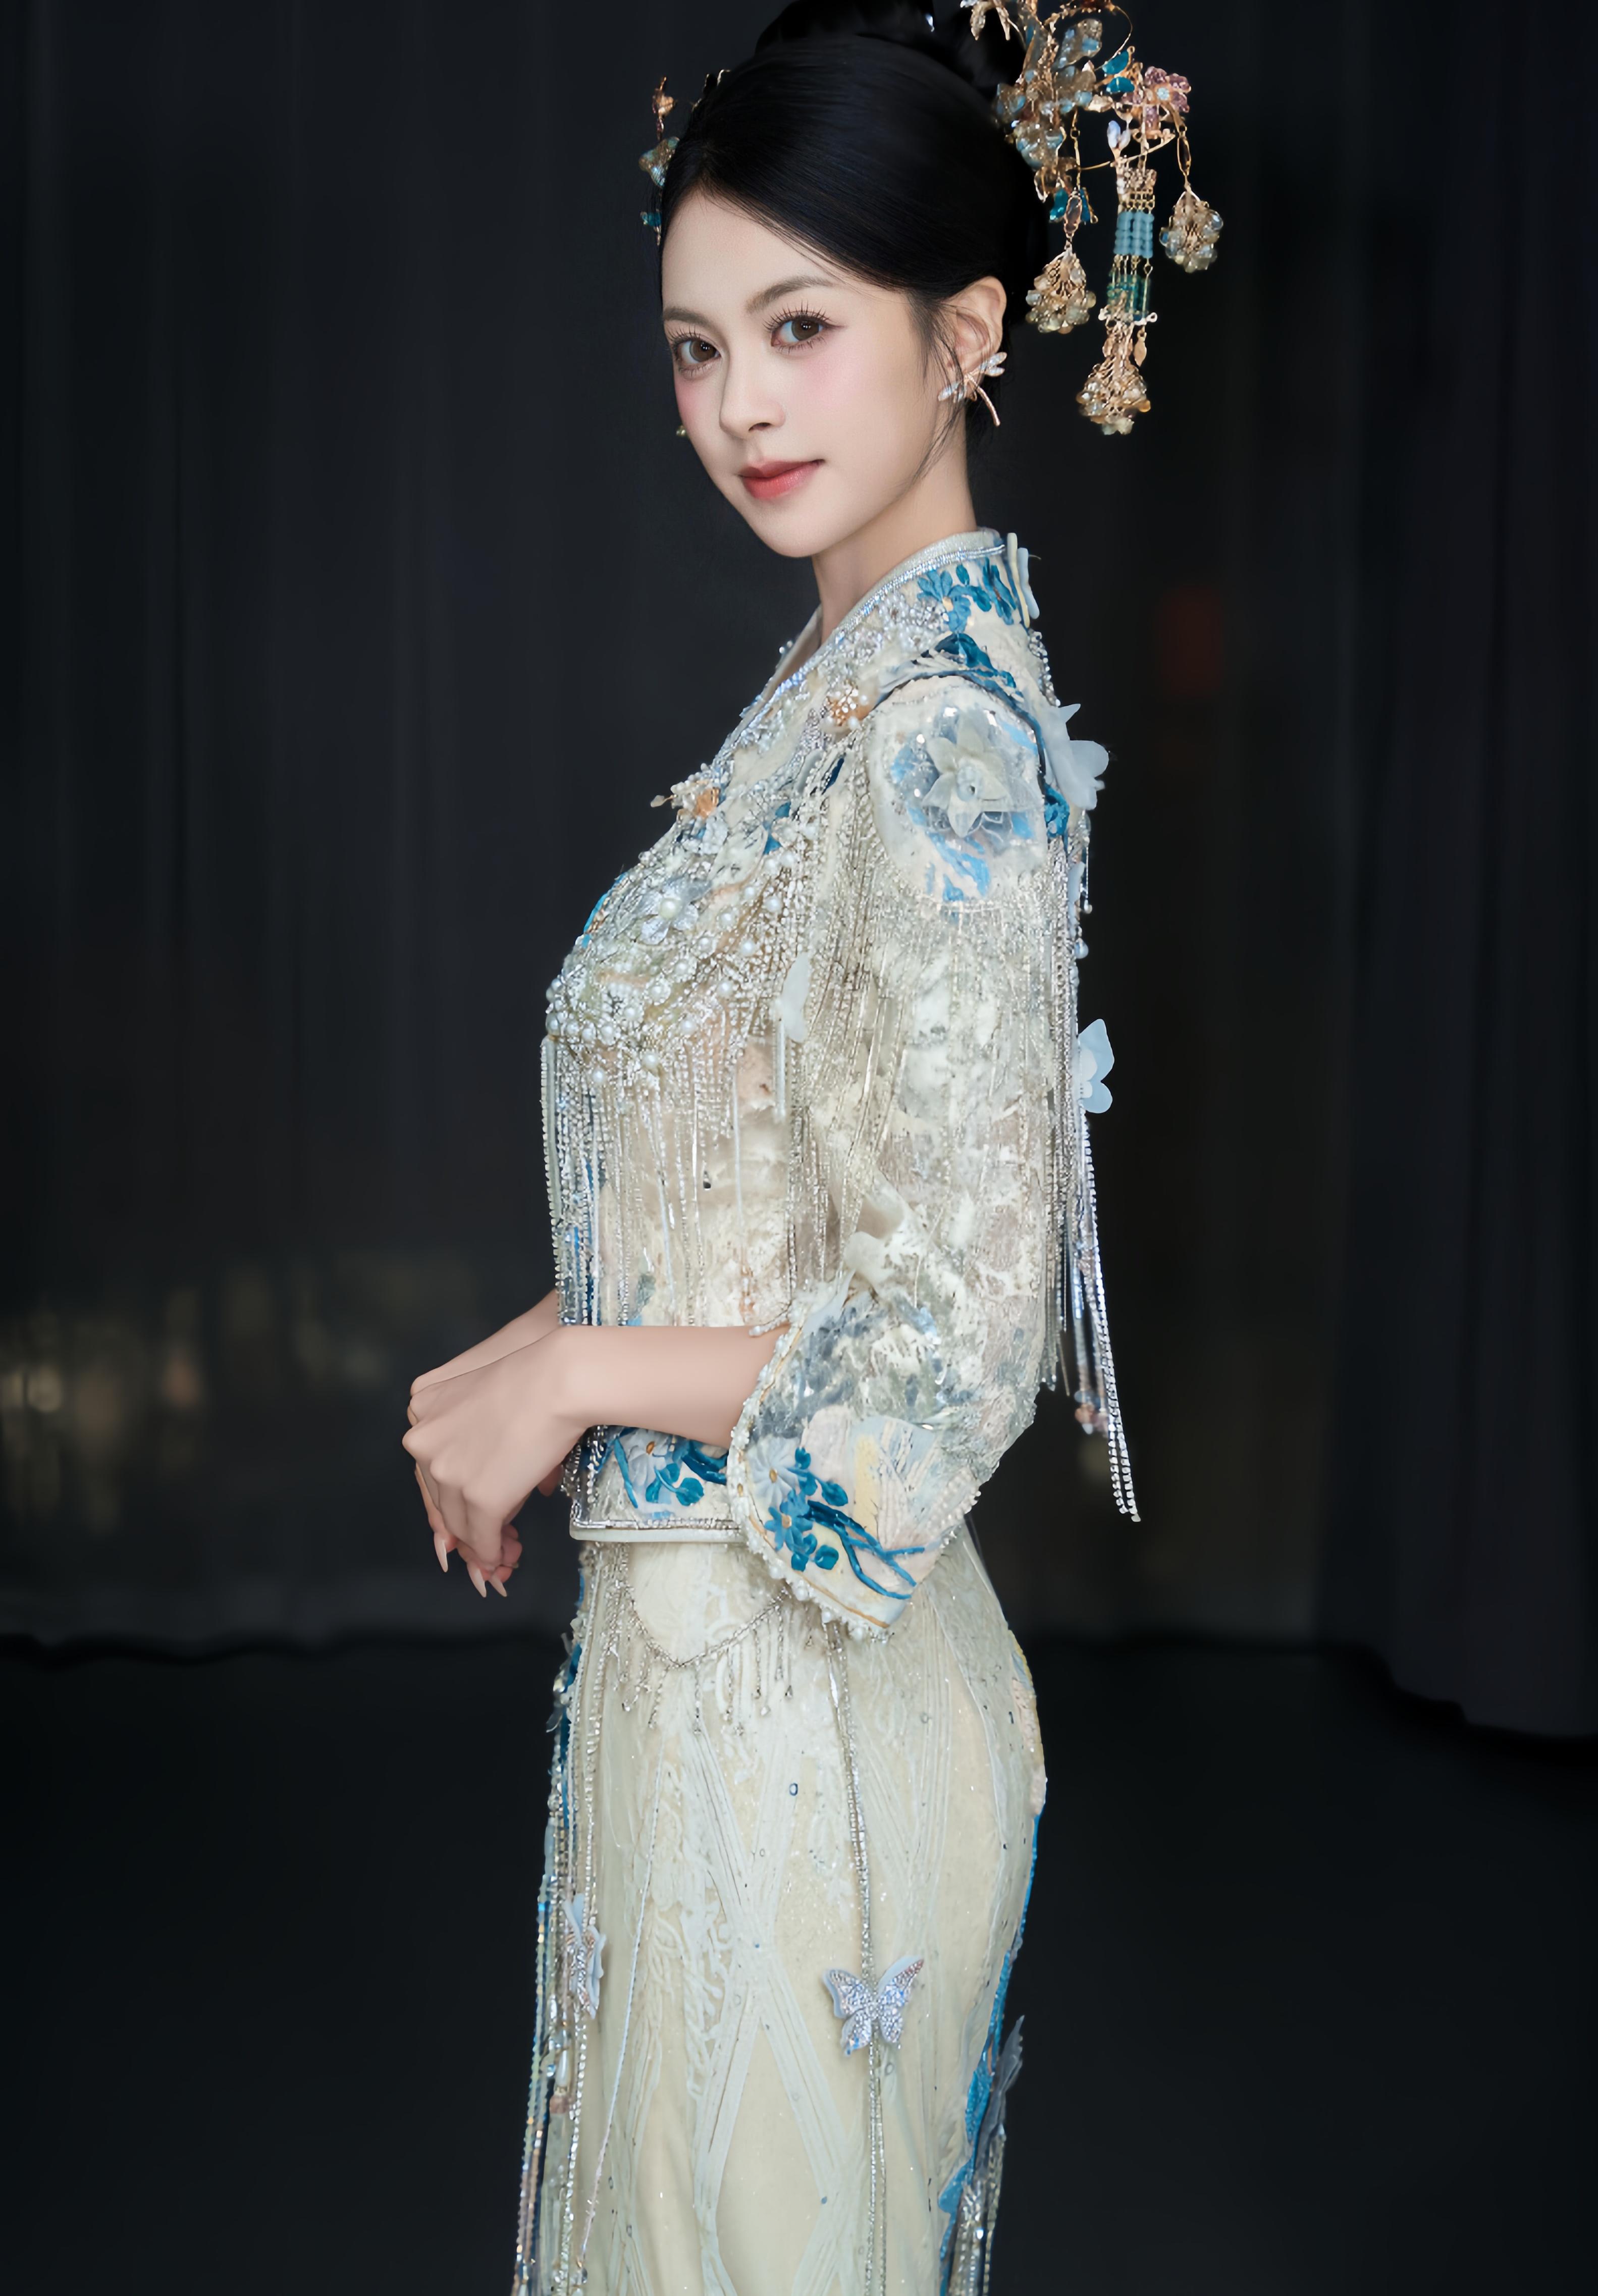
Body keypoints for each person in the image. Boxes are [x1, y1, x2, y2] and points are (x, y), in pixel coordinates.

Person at [403, 6, 1138, 2288]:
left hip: (807, 1729)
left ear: (966, 331)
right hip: (705, 1695)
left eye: (800, 328)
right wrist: (531, 1354)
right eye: (697, 345)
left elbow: (937, 1358)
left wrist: (573, 1374)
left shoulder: (931, 753)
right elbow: (750, 1193)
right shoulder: (833, 700)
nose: (738, 404)